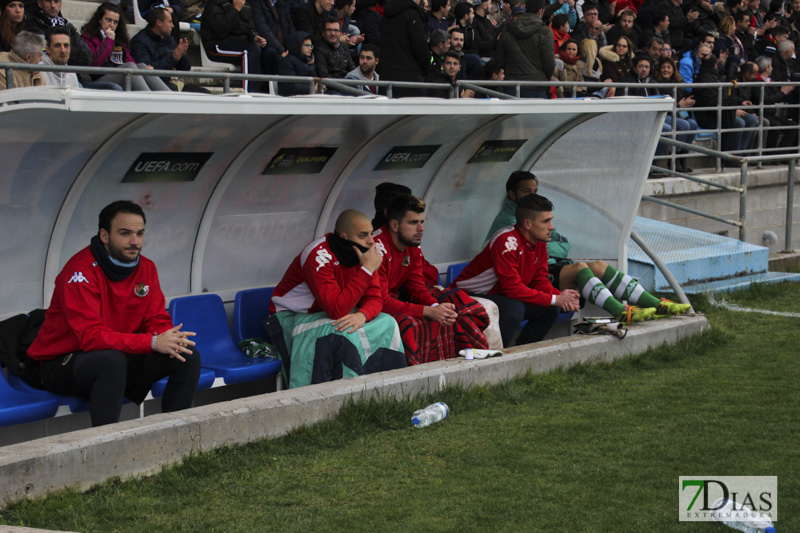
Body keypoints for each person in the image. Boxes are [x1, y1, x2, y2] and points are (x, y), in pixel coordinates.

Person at [26, 201, 202, 427]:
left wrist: (167, 338)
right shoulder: (79, 271)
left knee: (186, 354)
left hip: (117, 356)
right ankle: (106, 448)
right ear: (104, 235)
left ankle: (176, 438)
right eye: (125, 233)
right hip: (63, 363)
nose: (135, 242)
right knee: (110, 360)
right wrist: (153, 342)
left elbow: (155, 318)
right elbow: (91, 337)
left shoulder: (146, 267)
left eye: (139, 234)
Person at [481, 172, 691, 333]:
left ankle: (656, 304)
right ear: (512, 194)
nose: (533, 195)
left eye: (535, 190)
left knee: (599, 265)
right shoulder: (509, 223)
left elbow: (563, 244)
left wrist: (545, 241)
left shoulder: (536, 216)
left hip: (544, 269)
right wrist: (546, 245)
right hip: (526, 279)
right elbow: (547, 247)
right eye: (527, 191)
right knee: (579, 269)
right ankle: (620, 311)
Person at [269, 209, 406, 388]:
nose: (371, 241)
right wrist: (366, 270)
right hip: (290, 318)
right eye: (363, 235)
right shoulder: (318, 255)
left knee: (388, 322)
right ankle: (350, 394)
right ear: (344, 235)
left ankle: (390, 386)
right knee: (345, 330)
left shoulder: (364, 253)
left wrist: (363, 315)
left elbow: (375, 298)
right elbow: (336, 309)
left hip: (330, 314)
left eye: (371, 234)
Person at [373, 194, 489, 365]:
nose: (421, 228)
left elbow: (418, 287)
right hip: (372, 305)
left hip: (396, 298)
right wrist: (427, 311)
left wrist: (436, 307)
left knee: (460, 307)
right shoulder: (376, 249)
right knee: (408, 324)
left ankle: (471, 363)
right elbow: (381, 301)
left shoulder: (412, 245)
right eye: (413, 223)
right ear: (394, 225)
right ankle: (418, 374)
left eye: (422, 222)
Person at [453, 193, 580, 347]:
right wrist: (556, 299)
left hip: (499, 296)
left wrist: (560, 297)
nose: (551, 227)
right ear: (528, 224)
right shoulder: (506, 241)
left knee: (551, 309)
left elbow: (539, 280)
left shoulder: (539, 242)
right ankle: (495, 356)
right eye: (546, 221)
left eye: (551, 220)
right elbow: (512, 289)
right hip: (466, 296)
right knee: (514, 308)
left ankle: (524, 353)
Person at [81, 2, 172, 91]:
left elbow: (128, 59)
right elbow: (95, 63)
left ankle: (170, 98)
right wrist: (108, 41)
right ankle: (149, 99)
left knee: (142, 66)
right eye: (108, 20)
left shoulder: (119, 38)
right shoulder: (89, 36)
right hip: (98, 78)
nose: (111, 25)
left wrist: (145, 71)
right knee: (129, 67)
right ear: (100, 19)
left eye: (115, 22)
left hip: (120, 73)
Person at [201, 0, 277, 93]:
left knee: (270, 53)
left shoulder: (246, 3)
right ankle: (249, 94)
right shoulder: (215, 3)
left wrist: (254, 37)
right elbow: (220, 30)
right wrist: (235, 9)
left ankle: (268, 95)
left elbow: (249, 26)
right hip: (217, 46)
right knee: (250, 51)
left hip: (240, 44)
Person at [492, 0, 555, 99]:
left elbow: (499, 59)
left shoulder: (508, 29)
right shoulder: (545, 32)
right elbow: (549, 64)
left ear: (525, 7)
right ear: (540, 11)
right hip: (537, 87)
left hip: (511, 86)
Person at [130, 7, 194, 91]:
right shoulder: (139, 42)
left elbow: (185, 68)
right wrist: (173, 58)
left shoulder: (169, 39)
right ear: (159, 23)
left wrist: (182, 54)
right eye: (170, 22)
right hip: (150, 88)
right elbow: (146, 71)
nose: (173, 25)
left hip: (170, 84)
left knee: (203, 93)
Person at [376, 0, 430, 97]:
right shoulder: (413, 15)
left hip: (387, 77)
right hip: (410, 81)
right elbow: (419, 47)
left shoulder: (385, 16)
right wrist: (426, 69)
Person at [25, 0, 91, 66]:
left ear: (61, 3)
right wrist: (75, 51)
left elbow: (87, 56)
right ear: (40, 3)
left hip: (73, 73)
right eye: (48, 1)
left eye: (56, 1)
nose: (53, 5)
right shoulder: (33, 25)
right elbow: (41, 52)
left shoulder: (68, 26)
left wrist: (55, 51)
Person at [313, 17, 355, 84]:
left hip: (346, 85)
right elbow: (323, 75)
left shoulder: (345, 49)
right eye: (329, 30)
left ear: (341, 33)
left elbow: (353, 70)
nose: (333, 33)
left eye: (336, 30)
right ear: (323, 33)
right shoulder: (319, 49)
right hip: (330, 88)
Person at [277, 30, 318, 95]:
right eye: (306, 45)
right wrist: (311, 88)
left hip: (307, 97)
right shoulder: (287, 62)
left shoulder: (310, 60)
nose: (310, 48)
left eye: (311, 46)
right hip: (291, 100)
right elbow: (290, 86)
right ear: (297, 45)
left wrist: (318, 85)